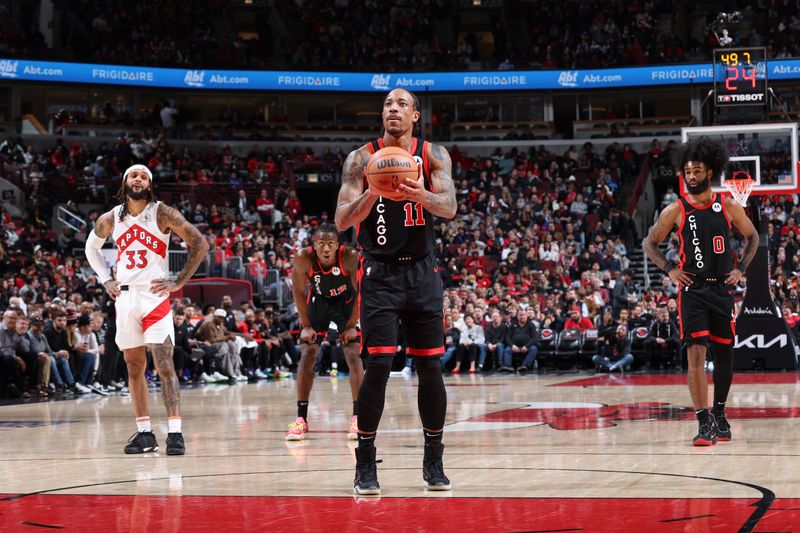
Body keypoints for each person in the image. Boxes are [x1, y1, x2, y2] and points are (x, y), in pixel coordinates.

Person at [335, 88, 456, 495]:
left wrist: (416, 192)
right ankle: (365, 465)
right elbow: (340, 221)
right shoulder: (360, 158)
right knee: (379, 368)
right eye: (387, 104)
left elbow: (450, 207)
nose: (393, 109)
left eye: (402, 104)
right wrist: (375, 188)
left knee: (431, 368)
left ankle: (433, 461)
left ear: (415, 116)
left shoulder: (433, 154)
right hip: (380, 274)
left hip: (422, 273)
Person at [85, 164, 209, 455]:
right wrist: (105, 279)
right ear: (124, 181)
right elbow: (91, 248)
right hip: (125, 299)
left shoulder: (162, 212)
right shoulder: (111, 218)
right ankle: (145, 435)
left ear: (150, 184)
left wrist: (179, 281)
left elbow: (199, 243)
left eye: (143, 176)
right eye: (133, 175)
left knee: (164, 364)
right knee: (134, 367)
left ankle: (175, 433)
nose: (137, 179)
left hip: (154, 297)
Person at [643, 138, 758, 446]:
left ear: (710, 172)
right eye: (687, 171)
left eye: (697, 171)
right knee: (695, 356)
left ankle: (720, 413)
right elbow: (649, 243)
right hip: (692, 291)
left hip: (722, 289)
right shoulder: (674, 210)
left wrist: (741, 269)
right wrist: (669, 269)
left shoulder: (728, 204)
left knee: (724, 357)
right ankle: (703, 421)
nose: (691, 176)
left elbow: (752, 237)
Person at [286, 223, 363, 441]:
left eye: (330, 244)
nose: (326, 249)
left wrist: (351, 324)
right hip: (318, 302)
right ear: (314, 245)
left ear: (338, 245)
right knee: (307, 354)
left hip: (346, 303)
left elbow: (361, 293)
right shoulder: (303, 258)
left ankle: (359, 417)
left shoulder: (350, 256)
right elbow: (299, 293)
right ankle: (301, 419)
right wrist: (306, 325)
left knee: (353, 354)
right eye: (321, 244)